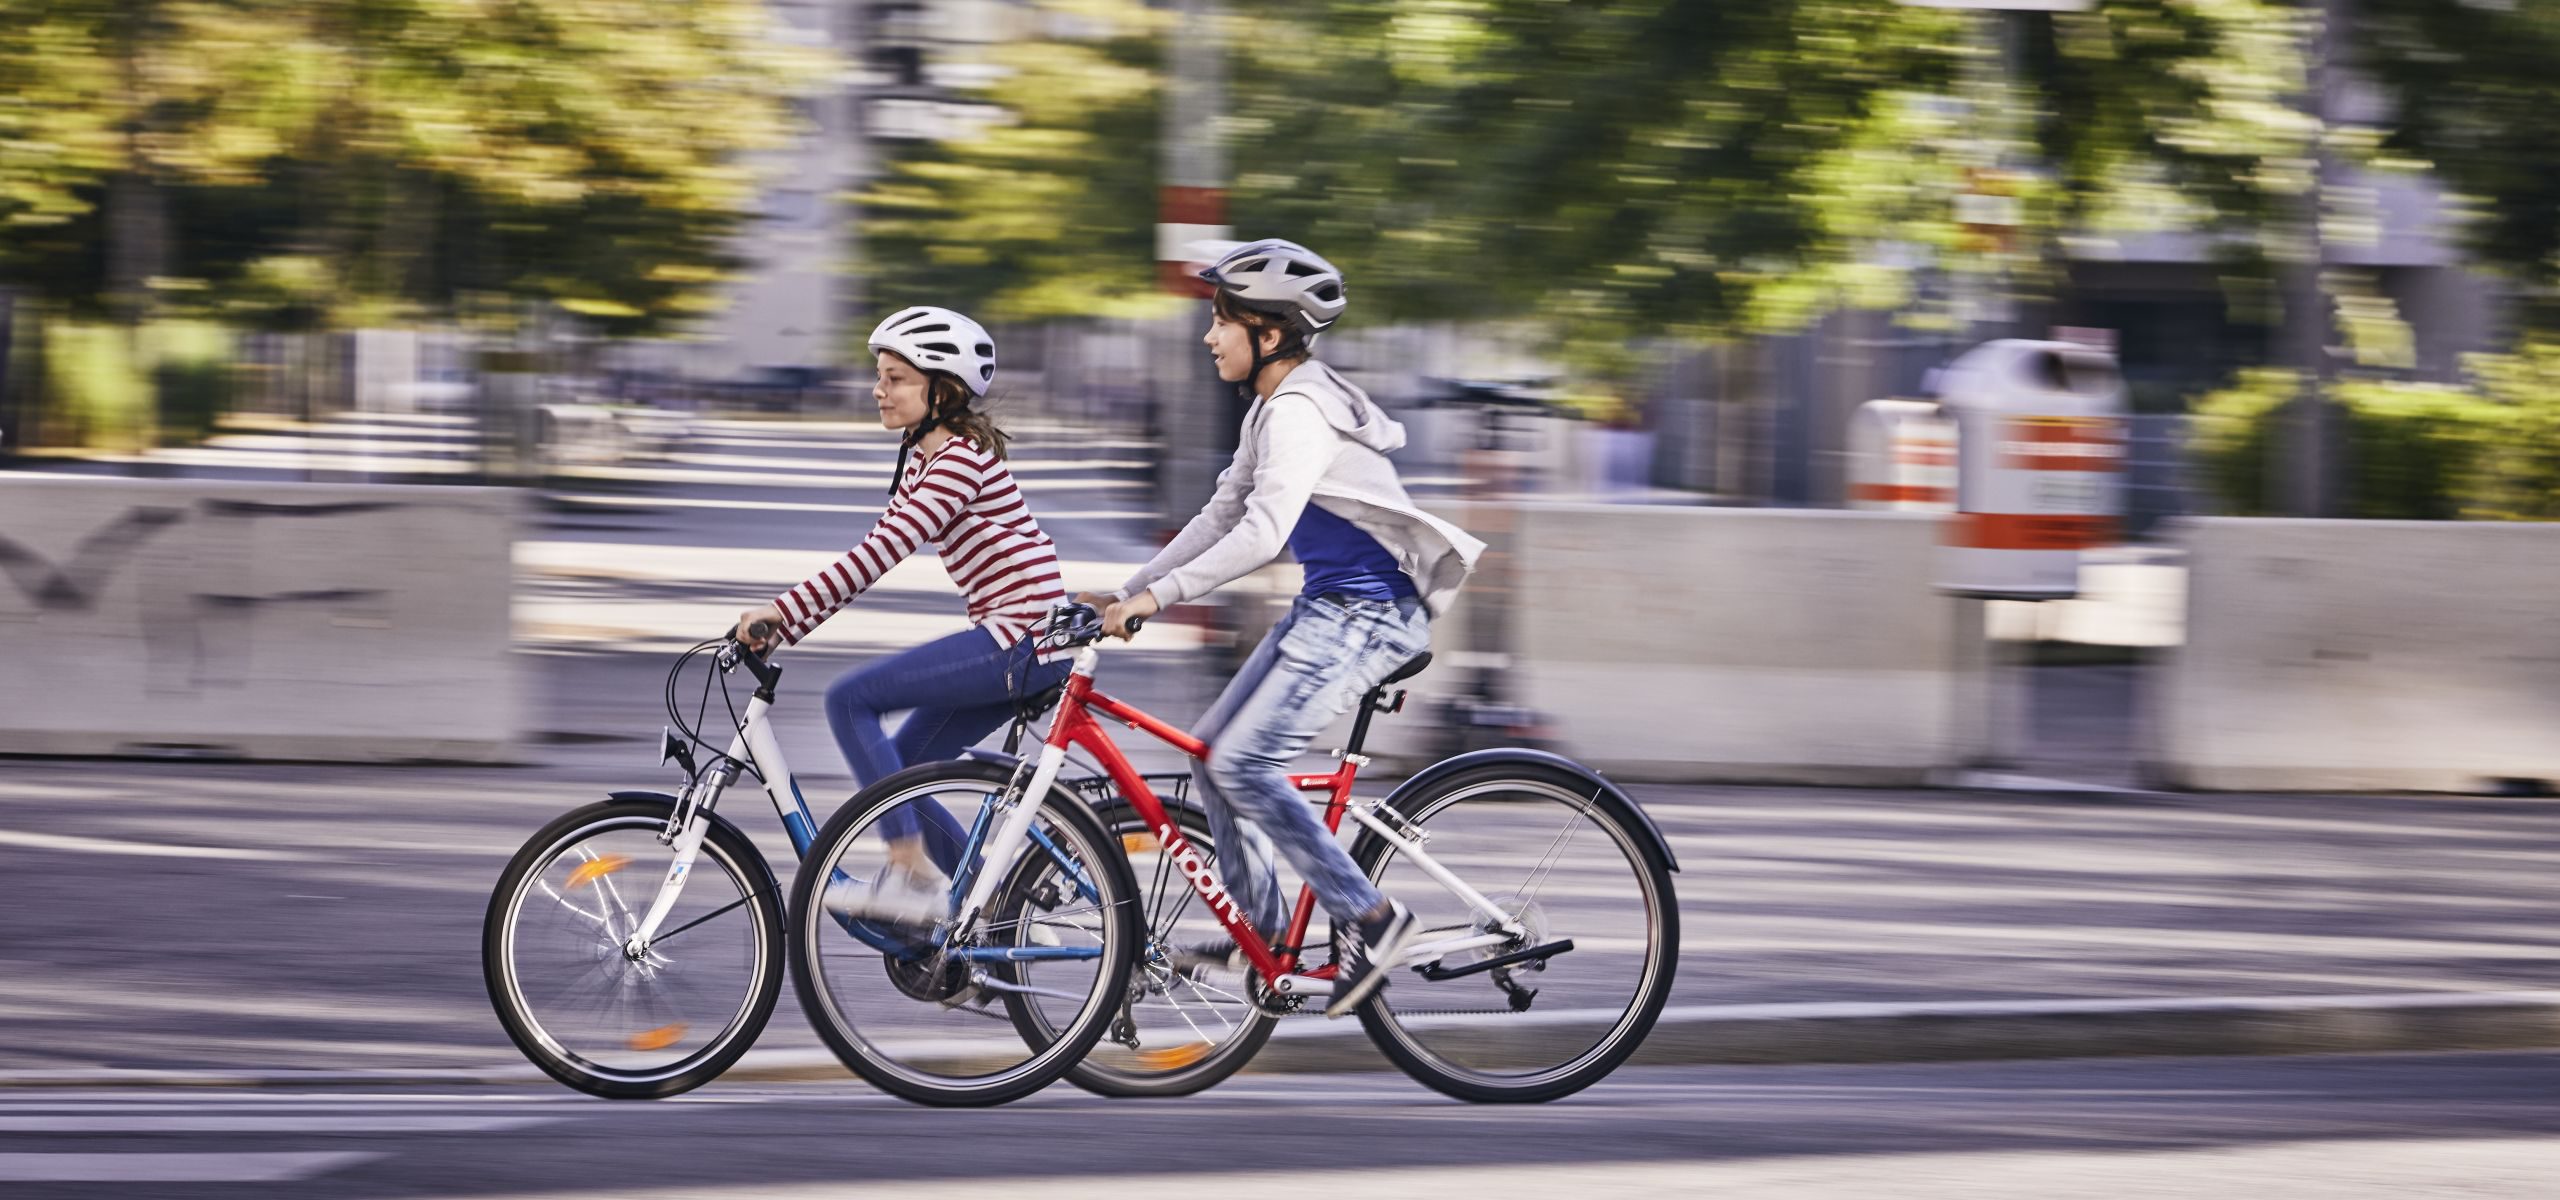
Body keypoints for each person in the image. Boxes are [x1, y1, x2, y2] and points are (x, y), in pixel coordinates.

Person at [1087, 239, 1484, 1017]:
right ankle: (1262, 934)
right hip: (1328, 609)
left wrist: (1158, 599)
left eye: (1221, 321)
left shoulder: (1298, 412)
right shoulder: (1276, 404)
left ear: (1269, 333)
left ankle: (1372, 916)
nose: (1209, 337)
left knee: (1243, 764)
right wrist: (1125, 592)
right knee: (1212, 756)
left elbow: (1262, 533)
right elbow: (1221, 513)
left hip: (1367, 615)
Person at [735, 306, 1071, 924]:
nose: (877, 389)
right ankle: (981, 910)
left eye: (894, 378)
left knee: (849, 701)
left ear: (940, 390)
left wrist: (780, 616)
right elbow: (878, 545)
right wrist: (790, 625)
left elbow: (877, 555)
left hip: (1020, 639)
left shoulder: (958, 462)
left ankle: (912, 872)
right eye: (880, 375)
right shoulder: (929, 458)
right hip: (1018, 637)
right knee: (901, 770)